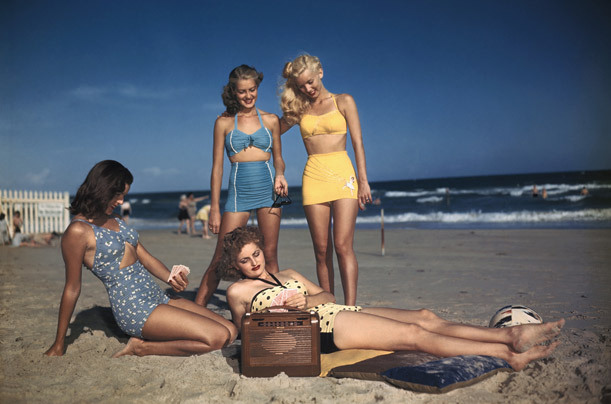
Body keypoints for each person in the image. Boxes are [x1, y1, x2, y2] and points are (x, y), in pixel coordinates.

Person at [220, 226, 564, 371]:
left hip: (335, 311)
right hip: (319, 332)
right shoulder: (238, 291)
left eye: (256, 254)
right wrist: (285, 311)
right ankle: (507, 354)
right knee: (414, 337)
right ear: (235, 266)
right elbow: (246, 335)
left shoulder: (289, 275)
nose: (254, 263)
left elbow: (327, 294)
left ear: (261, 249)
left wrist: (305, 301)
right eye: (245, 261)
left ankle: (509, 334)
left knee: (424, 316)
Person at [45, 160, 237, 358]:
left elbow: (147, 259)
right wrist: (59, 342)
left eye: (123, 195)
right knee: (218, 337)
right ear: (102, 189)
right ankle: (142, 348)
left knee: (230, 331)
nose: (121, 201)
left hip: (158, 297)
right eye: (118, 195)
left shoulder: (117, 219)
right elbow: (72, 288)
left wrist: (170, 278)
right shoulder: (77, 231)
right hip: (135, 309)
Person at [279, 54, 371, 305]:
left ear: (320, 72)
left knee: (343, 246)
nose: (308, 89)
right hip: (313, 178)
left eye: (310, 82)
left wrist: (363, 181)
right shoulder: (299, 108)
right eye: (301, 86)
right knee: (322, 251)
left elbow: (358, 143)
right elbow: (272, 130)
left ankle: (351, 307)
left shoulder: (344, 101)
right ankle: (328, 306)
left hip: (344, 177)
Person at [194, 65, 288, 306]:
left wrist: (280, 174)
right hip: (238, 196)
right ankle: (197, 309)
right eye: (242, 91)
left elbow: (278, 157)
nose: (248, 96)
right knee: (220, 257)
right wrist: (214, 207)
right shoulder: (224, 122)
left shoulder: (271, 120)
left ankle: (276, 308)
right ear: (233, 92)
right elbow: (217, 168)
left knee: (270, 254)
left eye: (252, 89)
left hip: (269, 192)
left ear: (258, 87)